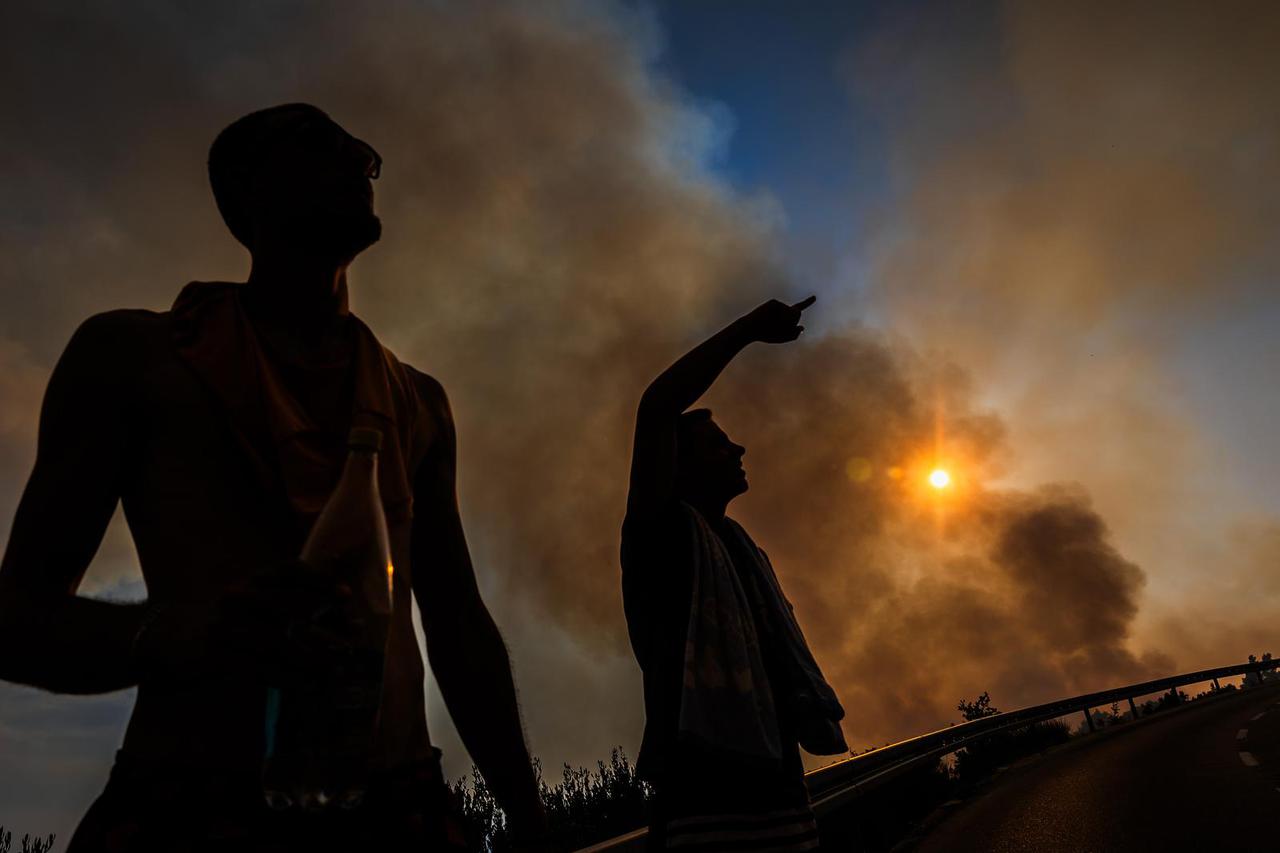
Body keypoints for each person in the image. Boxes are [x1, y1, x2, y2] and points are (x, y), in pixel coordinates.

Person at [0, 104, 547, 851]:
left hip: (399, 812)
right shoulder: (137, 359)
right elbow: (17, 621)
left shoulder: (418, 402)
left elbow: (455, 622)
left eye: (363, 151)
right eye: (321, 142)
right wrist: (180, 635)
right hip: (187, 813)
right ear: (245, 190)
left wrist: (528, 813)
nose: (360, 157)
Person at [621, 296, 848, 851]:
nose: (739, 447)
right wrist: (746, 330)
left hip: (783, 802)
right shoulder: (661, 536)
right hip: (705, 813)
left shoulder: (739, 550)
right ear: (680, 465)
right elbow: (656, 408)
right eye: (719, 444)